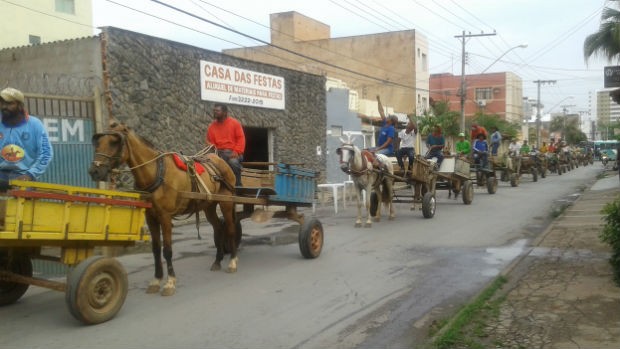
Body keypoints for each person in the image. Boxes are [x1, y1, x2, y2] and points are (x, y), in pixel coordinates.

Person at [0, 87, 53, 189]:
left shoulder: (34, 124)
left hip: (23, 175)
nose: (4, 107)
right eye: (2, 103)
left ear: (20, 106)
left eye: (10, 103)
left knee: (21, 200)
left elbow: (46, 153)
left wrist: (30, 175)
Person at [206, 103, 246, 187]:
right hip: (219, 153)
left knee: (233, 163)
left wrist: (236, 152)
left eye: (217, 111)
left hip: (233, 152)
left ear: (225, 112)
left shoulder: (235, 123)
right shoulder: (211, 127)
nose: (215, 112)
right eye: (214, 110)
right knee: (208, 164)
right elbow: (210, 142)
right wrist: (213, 150)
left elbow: (241, 139)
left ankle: (238, 185)